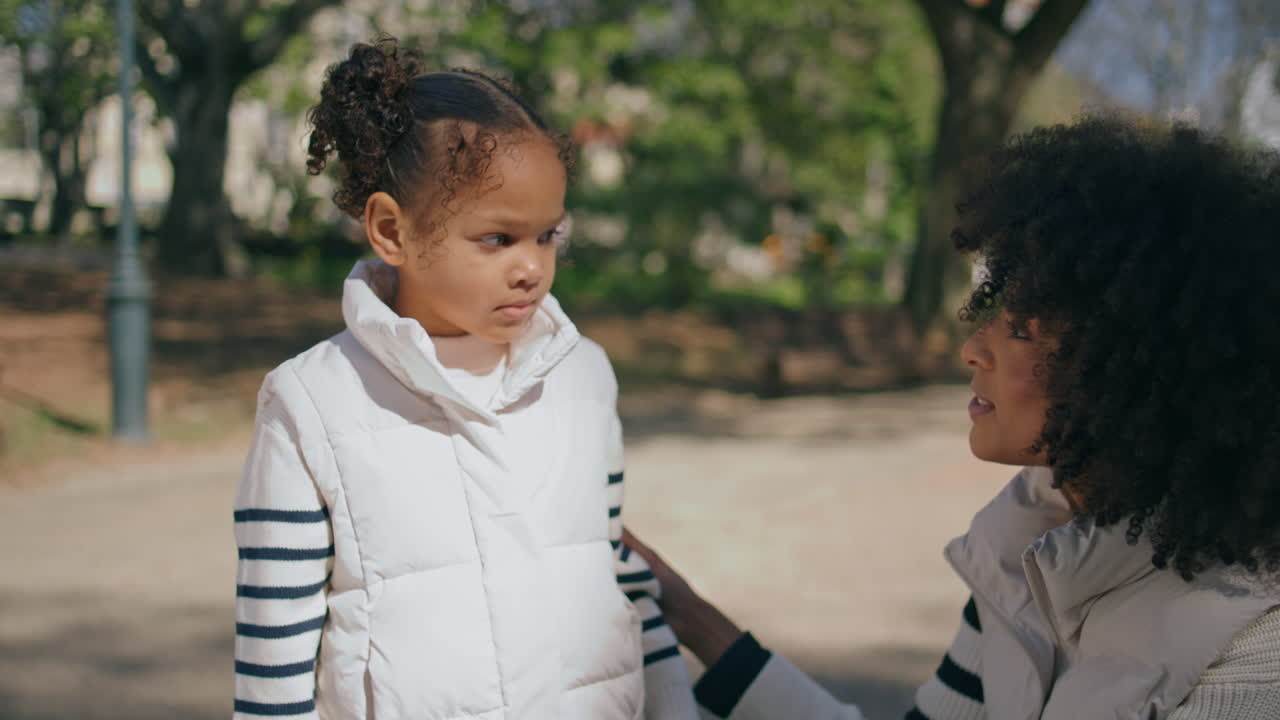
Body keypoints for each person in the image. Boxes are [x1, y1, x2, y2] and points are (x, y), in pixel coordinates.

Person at [625, 116, 1280, 720]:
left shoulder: (1252, 645)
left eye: (1020, 329)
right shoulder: (1022, 548)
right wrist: (690, 616)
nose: (973, 348)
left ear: (1137, 365)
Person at [232, 37, 697, 720]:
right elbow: (273, 657)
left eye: (547, 235)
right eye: (497, 239)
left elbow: (613, 576)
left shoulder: (585, 378)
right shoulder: (310, 404)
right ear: (391, 230)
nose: (531, 267)